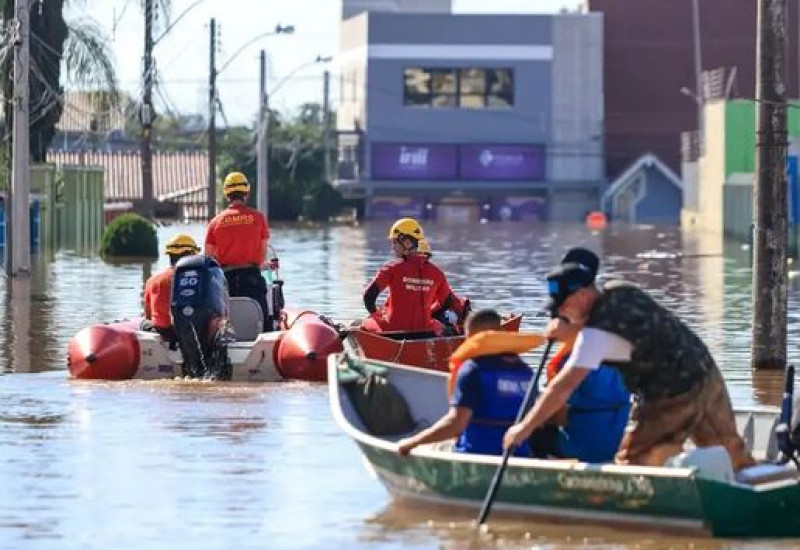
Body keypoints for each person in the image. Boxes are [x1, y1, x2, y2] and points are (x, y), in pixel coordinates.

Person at [503, 262, 756, 471]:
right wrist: (572, 328)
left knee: (632, 463)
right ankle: (759, 486)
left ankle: (651, 506)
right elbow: (621, 329)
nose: (560, 313)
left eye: (562, 306)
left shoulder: (594, 338)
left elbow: (562, 388)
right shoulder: (621, 289)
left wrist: (523, 428)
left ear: (581, 295)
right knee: (730, 450)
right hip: (704, 372)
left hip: (672, 394)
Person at [530, 247, 631, 463]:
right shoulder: (614, 342)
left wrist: (528, 421)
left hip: (582, 445)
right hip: (615, 433)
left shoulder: (575, 357)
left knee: (529, 429)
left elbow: (558, 409)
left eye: (564, 307)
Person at [397, 309, 541, 457]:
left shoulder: (473, 370)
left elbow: (455, 424)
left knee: (429, 447)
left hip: (475, 452)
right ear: (501, 333)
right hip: (518, 453)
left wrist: (411, 443)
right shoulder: (527, 372)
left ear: (471, 337)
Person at [205, 171, 272, 331]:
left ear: (227, 195)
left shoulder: (215, 222)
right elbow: (262, 254)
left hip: (224, 281)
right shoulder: (258, 218)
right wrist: (262, 264)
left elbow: (208, 258)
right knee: (264, 317)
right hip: (252, 279)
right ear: (246, 194)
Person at [361, 218, 452, 335]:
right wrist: (429, 312)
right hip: (426, 332)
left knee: (365, 322)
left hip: (393, 332)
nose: (392, 247)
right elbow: (446, 302)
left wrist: (377, 315)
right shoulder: (437, 273)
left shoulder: (392, 268)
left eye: (394, 242)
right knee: (441, 326)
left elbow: (368, 296)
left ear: (407, 242)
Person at [142, 234, 200, 342]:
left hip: (162, 331)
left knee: (143, 323)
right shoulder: (201, 280)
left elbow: (148, 315)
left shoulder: (152, 280)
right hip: (191, 333)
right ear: (192, 255)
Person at [418, 238, 472, 334]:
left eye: (424, 258)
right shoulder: (407, 276)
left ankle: (454, 334)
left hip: (448, 311)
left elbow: (444, 301)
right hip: (430, 313)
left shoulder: (435, 274)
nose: (421, 262)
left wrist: (426, 313)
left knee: (449, 318)